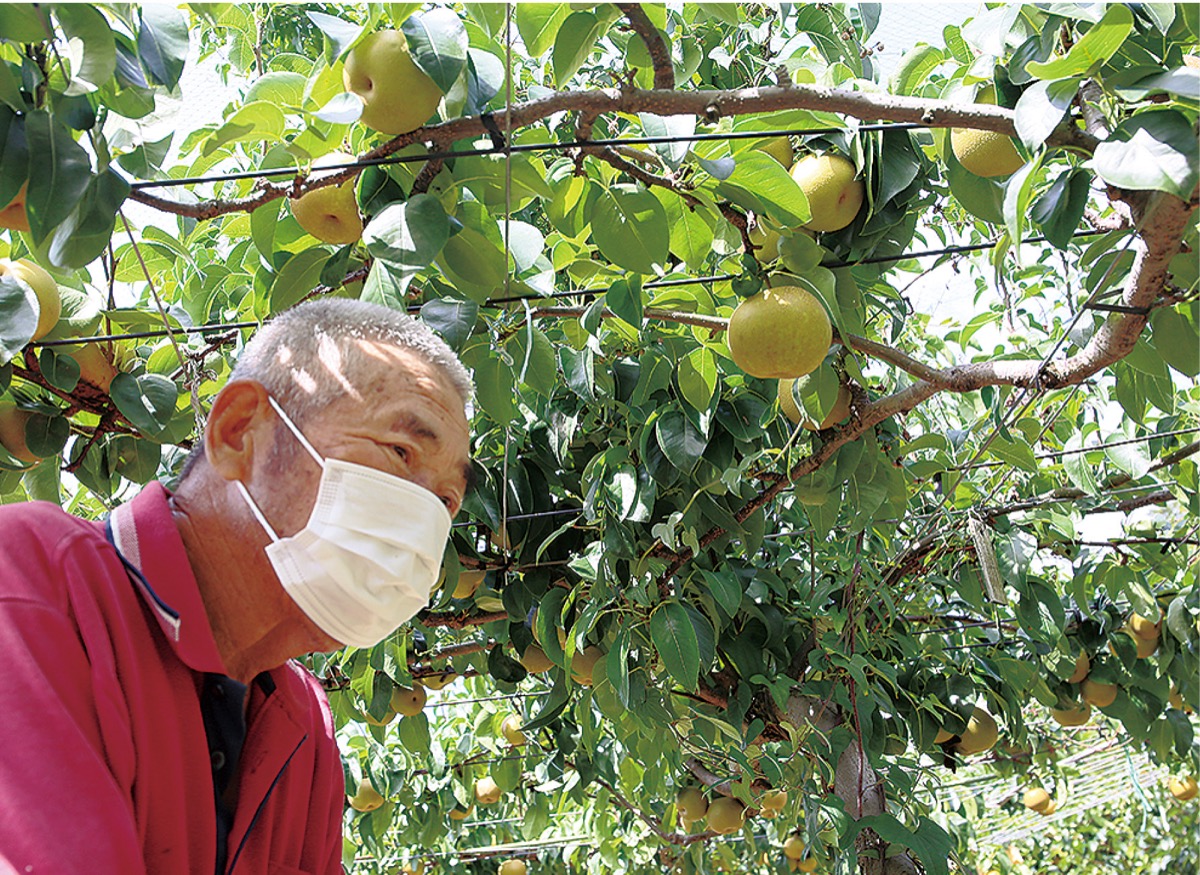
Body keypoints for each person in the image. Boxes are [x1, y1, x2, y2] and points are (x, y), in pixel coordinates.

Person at [0, 298, 473, 873]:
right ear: (239, 432)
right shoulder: (36, 580)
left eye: (446, 500)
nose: (423, 517)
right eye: (401, 452)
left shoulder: (303, 720)